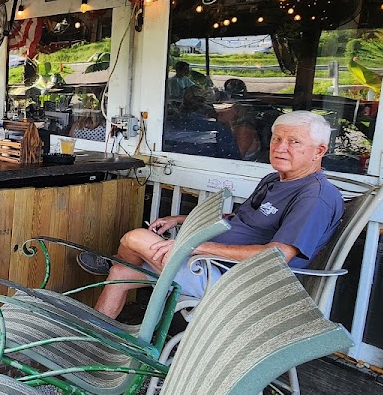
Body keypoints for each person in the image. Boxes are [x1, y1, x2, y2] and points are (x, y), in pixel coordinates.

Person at [89, 110, 344, 319]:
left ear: (319, 151)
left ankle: (114, 259)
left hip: (238, 284)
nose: (280, 148)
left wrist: (196, 247)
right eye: (277, 139)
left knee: (135, 238)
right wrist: (179, 220)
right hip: (212, 265)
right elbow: (240, 220)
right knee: (120, 274)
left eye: (294, 142)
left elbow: (277, 255)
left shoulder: (315, 196)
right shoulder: (273, 179)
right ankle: (95, 345)